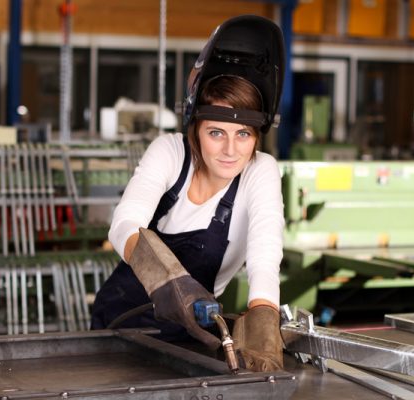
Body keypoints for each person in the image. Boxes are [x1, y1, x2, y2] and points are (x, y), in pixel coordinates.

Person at [91, 15, 286, 372]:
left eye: (243, 134)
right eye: (216, 133)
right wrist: (171, 283)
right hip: (118, 328)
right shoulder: (169, 152)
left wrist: (263, 319)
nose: (230, 149)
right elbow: (124, 224)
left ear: (258, 135)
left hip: (190, 338)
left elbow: (264, 256)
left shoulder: (262, 171)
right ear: (195, 129)